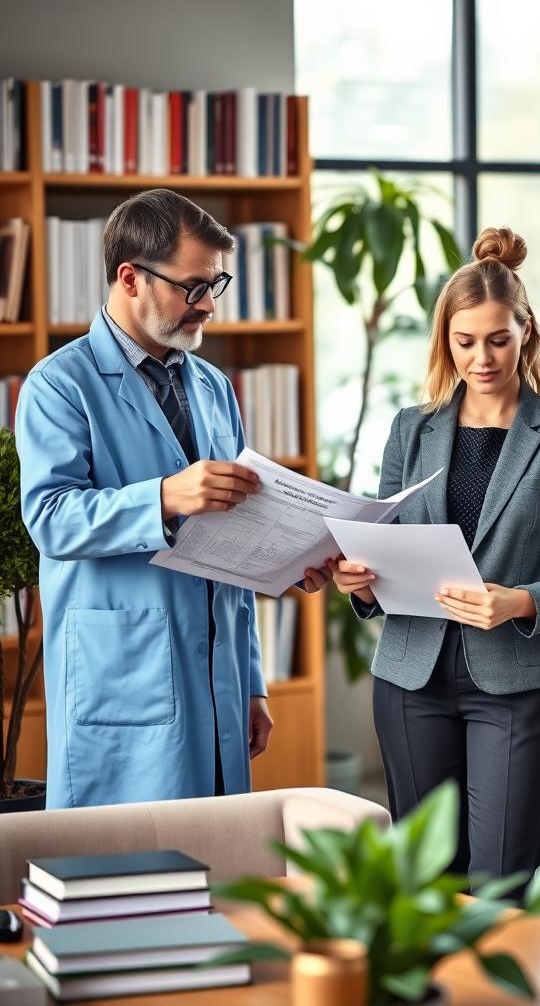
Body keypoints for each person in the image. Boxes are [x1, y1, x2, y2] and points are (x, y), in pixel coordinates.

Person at [17, 189, 331, 809]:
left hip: (217, 679)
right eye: (193, 287)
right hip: (121, 674)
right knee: (117, 877)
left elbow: (235, 540)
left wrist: (252, 680)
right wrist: (163, 498)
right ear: (130, 278)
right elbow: (51, 520)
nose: (209, 305)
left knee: (217, 866)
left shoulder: (213, 386)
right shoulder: (59, 385)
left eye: (217, 284)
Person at [331, 226, 540, 885]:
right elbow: (385, 538)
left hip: (514, 683)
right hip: (410, 678)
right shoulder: (410, 428)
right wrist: (359, 581)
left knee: (501, 877)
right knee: (425, 882)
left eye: (498, 340)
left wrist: (521, 600)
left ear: (525, 332)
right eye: (465, 341)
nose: (482, 358)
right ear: (445, 341)